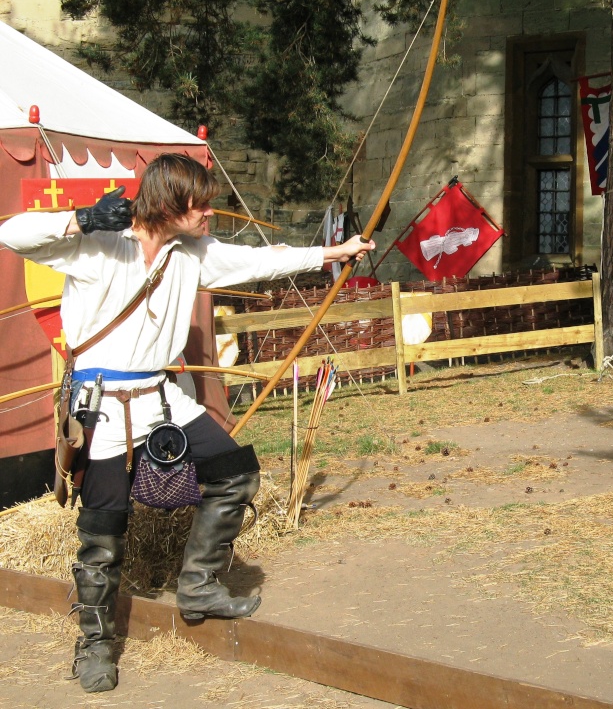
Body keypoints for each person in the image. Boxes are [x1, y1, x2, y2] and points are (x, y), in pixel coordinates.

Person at [0, 153, 375, 693]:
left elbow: (260, 262)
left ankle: (197, 583)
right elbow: (13, 233)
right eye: (199, 203)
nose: (209, 213)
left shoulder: (193, 254)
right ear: (170, 204)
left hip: (162, 397)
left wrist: (333, 253)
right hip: (103, 406)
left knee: (236, 474)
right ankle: (96, 642)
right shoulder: (98, 244)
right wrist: (80, 219)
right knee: (103, 530)